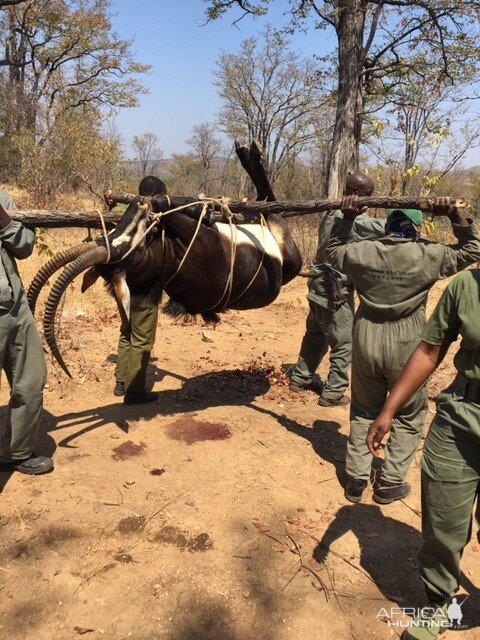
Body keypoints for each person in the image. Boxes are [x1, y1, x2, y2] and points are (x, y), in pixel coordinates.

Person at [326, 196, 480, 504]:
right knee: (409, 413)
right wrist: (455, 215)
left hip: (366, 333)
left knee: (364, 408)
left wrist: (346, 217)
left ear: (388, 224)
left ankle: (356, 478)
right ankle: (390, 481)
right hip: (409, 340)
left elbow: (330, 252)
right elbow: (473, 250)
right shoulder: (428, 255)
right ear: (417, 227)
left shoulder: (363, 251)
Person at [367, 269, 480, 639]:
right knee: (443, 520)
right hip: (462, 415)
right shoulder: (466, 286)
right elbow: (430, 350)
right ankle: (438, 604)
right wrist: (389, 409)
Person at [289, 172, 385, 407]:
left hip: (317, 282)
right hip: (334, 289)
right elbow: (389, 228)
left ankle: (300, 377)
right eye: (367, 197)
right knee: (344, 342)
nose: (369, 201)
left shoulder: (330, 212)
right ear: (355, 195)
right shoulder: (358, 222)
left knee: (316, 333)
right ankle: (333, 393)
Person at [0, 189, 51, 475]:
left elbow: (26, 245)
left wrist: (3, 221)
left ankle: (16, 453)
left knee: (31, 381)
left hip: (16, 308)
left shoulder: (2, 199)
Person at [113, 175, 167, 405]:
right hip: (143, 289)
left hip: (121, 285)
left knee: (127, 331)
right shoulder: (150, 218)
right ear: (155, 195)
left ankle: (121, 381)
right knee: (142, 340)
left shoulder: (128, 215)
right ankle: (135, 391)